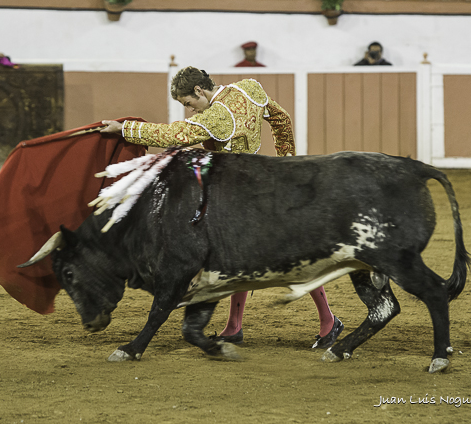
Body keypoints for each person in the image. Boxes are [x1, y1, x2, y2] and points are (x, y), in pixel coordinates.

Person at [99, 66, 344, 348]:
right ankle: (233, 326)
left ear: (199, 91)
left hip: (238, 191)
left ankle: (328, 321)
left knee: (290, 256)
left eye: (188, 103)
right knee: (237, 256)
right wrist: (286, 162)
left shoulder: (217, 116)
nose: (190, 111)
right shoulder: (250, 88)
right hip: (257, 182)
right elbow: (281, 118)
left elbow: (172, 135)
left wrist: (124, 128)